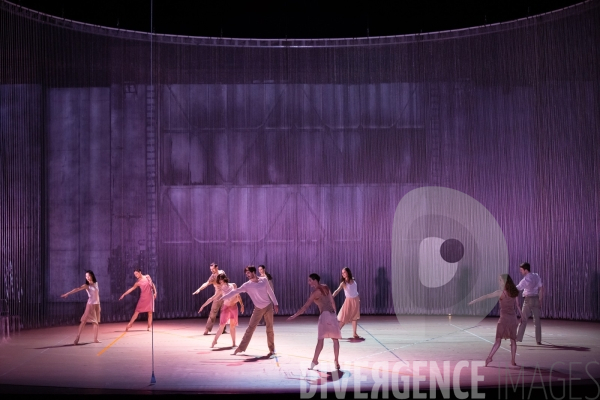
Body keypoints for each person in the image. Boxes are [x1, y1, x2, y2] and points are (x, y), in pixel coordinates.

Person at [221, 265, 279, 357]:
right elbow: (235, 291)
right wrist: (223, 297)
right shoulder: (247, 285)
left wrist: (276, 303)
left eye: (248, 272)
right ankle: (240, 348)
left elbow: (270, 292)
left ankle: (272, 350)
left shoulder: (264, 280)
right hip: (258, 309)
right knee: (250, 328)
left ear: (253, 272)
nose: (247, 275)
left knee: (269, 329)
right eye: (246, 273)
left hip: (268, 307)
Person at [288, 273, 342, 370]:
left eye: (309, 280)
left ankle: (314, 361)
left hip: (324, 316)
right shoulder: (326, 287)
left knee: (320, 340)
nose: (308, 282)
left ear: (314, 280)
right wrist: (335, 316)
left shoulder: (315, 293)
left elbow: (305, 307)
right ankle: (336, 362)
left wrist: (295, 315)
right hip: (332, 314)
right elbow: (332, 302)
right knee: (335, 340)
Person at [469, 274, 522, 366]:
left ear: (505, 281)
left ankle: (489, 358)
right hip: (513, 319)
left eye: (500, 280)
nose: (499, 282)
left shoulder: (500, 292)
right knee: (513, 340)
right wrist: (522, 316)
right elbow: (518, 305)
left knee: (498, 340)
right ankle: (513, 361)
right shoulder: (514, 292)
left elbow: (486, 296)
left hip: (504, 319)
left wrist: (474, 301)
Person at [198, 272, 244, 347]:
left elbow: (238, 295)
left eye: (221, 281)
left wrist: (242, 305)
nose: (220, 283)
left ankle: (234, 343)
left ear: (224, 279)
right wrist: (203, 306)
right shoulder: (221, 290)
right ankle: (214, 341)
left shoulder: (233, 285)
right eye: (219, 281)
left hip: (233, 307)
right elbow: (212, 298)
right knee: (221, 326)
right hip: (226, 307)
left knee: (232, 326)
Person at [61, 270, 101, 345]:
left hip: (96, 305)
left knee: (96, 323)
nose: (87, 277)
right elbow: (77, 289)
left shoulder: (96, 283)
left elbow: (97, 296)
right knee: (84, 321)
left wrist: (99, 305)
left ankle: (95, 339)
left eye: (88, 276)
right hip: (90, 305)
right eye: (86, 276)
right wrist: (68, 293)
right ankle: (77, 337)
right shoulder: (86, 285)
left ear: (92, 275)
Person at [193, 262, 226, 335]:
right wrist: (199, 289)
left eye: (213, 269)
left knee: (224, 312)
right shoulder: (212, 277)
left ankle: (223, 328)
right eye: (210, 269)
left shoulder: (222, 272)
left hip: (225, 295)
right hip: (217, 296)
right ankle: (207, 329)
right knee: (213, 313)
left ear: (216, 268)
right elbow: (206, 283)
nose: (212, 271)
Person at [515, 262, 544, 344]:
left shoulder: (526, 280)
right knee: (537, 321)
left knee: (523, 320)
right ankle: (538, 340)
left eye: (521, 270)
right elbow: (541, 288)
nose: (520, 271)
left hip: (528, 300)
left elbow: (517, 289)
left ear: (525, 270)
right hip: (536, 299)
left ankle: (518, 338)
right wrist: (540, 300)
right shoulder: (536, 276)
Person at [332, 267, 361, 338]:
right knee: (344, 317)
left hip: (356, 300)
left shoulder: (353, 280)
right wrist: (331, 296)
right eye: (342, 273)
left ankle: (354, 333)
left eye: (344, 272)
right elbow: (337, 290)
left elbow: (354, 290)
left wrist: (358, 298)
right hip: (348, 301)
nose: (343, 274)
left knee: (355, 317)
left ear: (348, 272)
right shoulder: (343, 283)